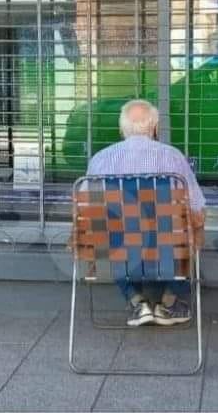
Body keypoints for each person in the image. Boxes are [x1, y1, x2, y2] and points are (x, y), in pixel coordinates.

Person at [85, 99, 205, 327]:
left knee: (106, 234)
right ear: (155, 128)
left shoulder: (100, 160)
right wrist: (197, 235)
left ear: (122, 129)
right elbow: (197, 208)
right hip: (166, 252)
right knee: (190, 230)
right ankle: (169, 303)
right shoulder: (173, 157)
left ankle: (136, 301)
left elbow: (89, 213)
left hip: (116, 253)